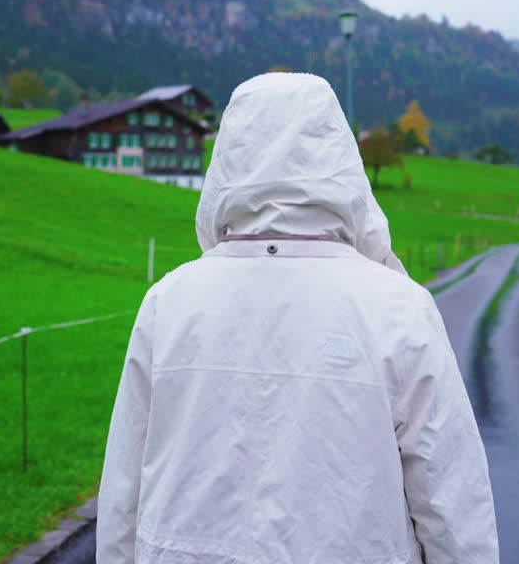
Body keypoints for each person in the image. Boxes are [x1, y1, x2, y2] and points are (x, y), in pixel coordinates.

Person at [98, 73, 498, 563]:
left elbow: (123, 496)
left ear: (227, 161)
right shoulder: (399, 309)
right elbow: (452, 505)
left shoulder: (169, 303)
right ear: (339, 161)